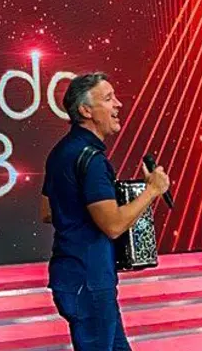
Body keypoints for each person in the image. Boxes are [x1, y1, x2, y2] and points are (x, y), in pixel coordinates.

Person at [41, 72, 170, 350]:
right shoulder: (92, 160)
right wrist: (152, 190)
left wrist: (82, 212)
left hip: (75, 276)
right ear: (85, 110)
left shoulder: (60, 152)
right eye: (109, 98)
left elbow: (47, 211)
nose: (118, 105)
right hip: (89, 280)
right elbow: (112, 226)